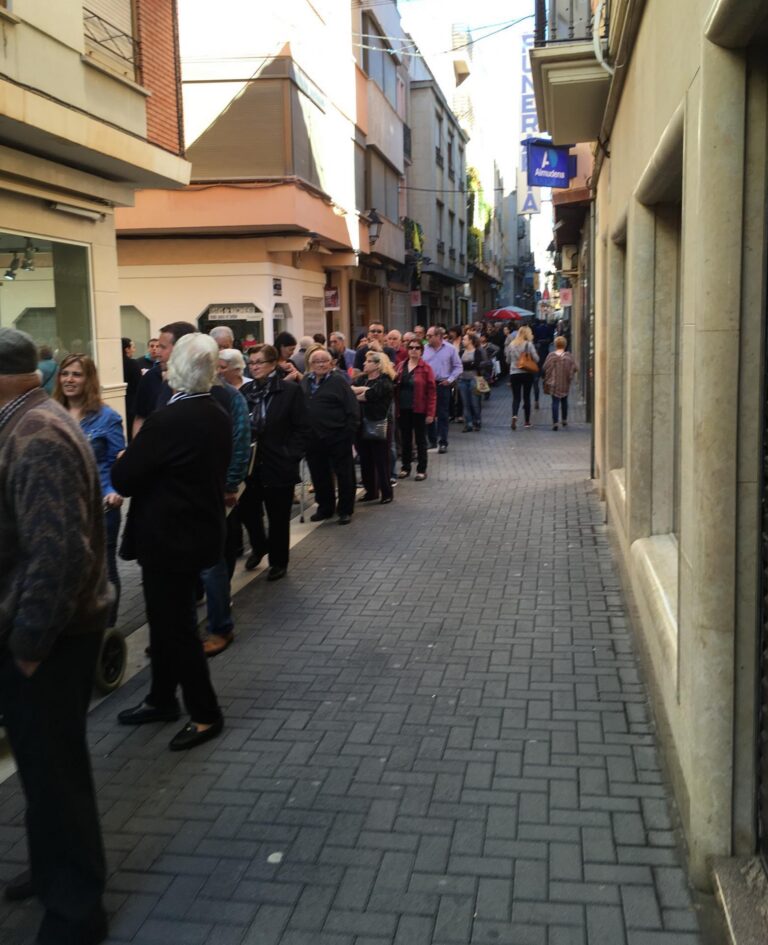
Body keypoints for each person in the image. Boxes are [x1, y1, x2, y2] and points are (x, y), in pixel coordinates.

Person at [0, 327, 111, 945]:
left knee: (56, 775)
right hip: (39, 631)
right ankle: (50, 874)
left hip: (49, 638)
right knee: (43, 772)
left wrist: (29, 646)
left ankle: (75, 909)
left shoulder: (36, 432)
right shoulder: (28, 421)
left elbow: (57, 553)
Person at [112, 333, 230, 751]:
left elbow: (124, 479)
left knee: (176, 628)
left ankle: (205, 713)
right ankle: (161, 698)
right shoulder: (215, 410)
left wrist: (127, 458)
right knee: (165, 623)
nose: (160, 363)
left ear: (177, 369)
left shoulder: (169, 419)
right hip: (194, 532)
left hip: (168, 538)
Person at [53, 354, 125, 628]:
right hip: (61, 507)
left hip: (100, 506)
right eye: (65, 374)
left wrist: (114, 490)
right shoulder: (50, 413)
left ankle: (107, 632)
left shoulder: (107, 418)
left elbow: (117, 461)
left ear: (89, 379)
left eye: (77, 374)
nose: (69, 380)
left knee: (104, 570)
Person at [240, 344, 309, 580]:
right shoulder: (245, 391)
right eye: (251, 363)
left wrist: (291, 454)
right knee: (248, 511)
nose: (255, 366)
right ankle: (259, 545)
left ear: (272, 364)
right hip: (249, 464)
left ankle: (279, 562)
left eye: (259, 362)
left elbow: (301, 427)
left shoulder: (288, 391)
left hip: (278, 461)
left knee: (278, 516)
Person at [300, 346, 360, 525]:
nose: (321, 364)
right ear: (310, 364)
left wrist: (349, 432)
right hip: (313, 437)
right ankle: (325, 508)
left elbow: (352, 408)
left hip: (338, 435)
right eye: (316, 361)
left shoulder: (338, 381)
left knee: (344, 474)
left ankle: (345, 510)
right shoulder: (305, 381)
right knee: (319, 475)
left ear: (331, 363)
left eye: (324, 361)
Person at [351, 351, 395, 503]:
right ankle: (371, 491)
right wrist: (363, 390)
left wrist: (363, 392)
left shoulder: (385, 381)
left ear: (377, 365)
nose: (364, 363)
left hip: (378, 424)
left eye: (368, 361)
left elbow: (369, 396)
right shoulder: (362, 379)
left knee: (381, 460)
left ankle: (386, 492)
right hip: (360, 424)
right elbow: (350, 392)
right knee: (365, 459)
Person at [395, 338, 436, 481]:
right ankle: (405, 467)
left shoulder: (426, 368)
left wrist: (430, 413)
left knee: (420, 440)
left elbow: (432, 393)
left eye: (417, 348)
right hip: (403, 408)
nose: (413, 350)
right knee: (405, 439)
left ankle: (421, 469)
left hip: (419, 409)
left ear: (421, 351)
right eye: (411, 347)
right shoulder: (400, 366)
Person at [423, 325, 462, 452]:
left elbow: (458, 367)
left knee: (443, 414)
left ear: (439, 336)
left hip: (442, 385)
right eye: (427, 335)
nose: (427, 338)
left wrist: (450, 380)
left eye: (430, 336)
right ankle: (432, 441)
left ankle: (443, 442)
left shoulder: (450, 349)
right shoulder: (424, 349)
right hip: (427, 385)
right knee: (429, 413)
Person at [507, 324, 539, 430]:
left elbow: (507, 360)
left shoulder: (511, 344)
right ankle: (526, 421)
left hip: (514, 373)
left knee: (516, 397)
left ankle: (514, 416)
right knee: (526, 397)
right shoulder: (528, 344)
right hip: (526, 373)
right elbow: (536, 358)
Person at [543, 335, 578, 430]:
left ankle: (555, 422)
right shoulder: (568, 356)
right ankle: (564, 420)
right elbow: (575, 367)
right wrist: (569, 374)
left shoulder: (551, 356)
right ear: (565, 345)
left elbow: (545, 367)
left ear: (555, 345)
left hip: (554, 382)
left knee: (555, 402)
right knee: (564, 401)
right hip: (565, 382)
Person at [457, 332, 487, 432]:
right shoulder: (461, 352)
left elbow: (477, 365)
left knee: (475, 402)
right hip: (462, 379)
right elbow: (459, 365)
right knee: (465, 403)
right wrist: (470, 364)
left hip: (475, 379)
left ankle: (477, 421)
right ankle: (468, 424)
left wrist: (468, 364)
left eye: (464, 339)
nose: (462, 341)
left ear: (470, 340)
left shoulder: (477, 352)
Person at [532, 317, 555, 409]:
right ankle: (546, 385)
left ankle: (536, 400)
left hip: (536, 357)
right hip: (545, 354)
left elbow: (534, 340)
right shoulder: (548, 328)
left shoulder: (535, 329)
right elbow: (551, 339)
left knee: (535, 381)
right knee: (545, 376)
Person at [122, 336, 143, 440]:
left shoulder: (116, 363)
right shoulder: (132, 363)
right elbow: (138, 384)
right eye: (133, 347)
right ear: (127, 349)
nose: (134, 350)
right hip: (131, 402)